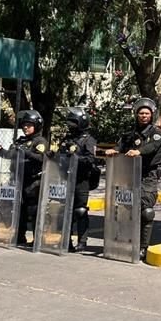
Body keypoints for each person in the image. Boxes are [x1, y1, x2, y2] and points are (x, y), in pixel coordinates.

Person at [105, 97, 161, 262]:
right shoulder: (130, 133)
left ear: (151, 115)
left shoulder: (157, 133)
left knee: (146, 211)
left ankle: (143, 248)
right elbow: (121, 145)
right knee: (125, 207)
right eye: (141, 113)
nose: (143, 116)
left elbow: (151, 147)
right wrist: (114, 150)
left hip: (149, 175)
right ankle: (124, 241)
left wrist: (138, 152)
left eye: (146, 113)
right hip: (130, 173)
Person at [0, 110, 49, 247]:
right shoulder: (20, 141)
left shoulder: (40, 141)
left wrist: (27, 153)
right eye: (24, 125)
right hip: (18, 179)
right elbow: (9, 155)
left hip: (33, 181)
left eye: (29, 125)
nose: (25, 127)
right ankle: (19, 236)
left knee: (33, 210)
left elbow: (41, 158)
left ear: (36, 125)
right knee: (19, 209)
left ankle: (38, 238)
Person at [59, 107, 99, 253]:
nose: (71, 125)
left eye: (74, 122)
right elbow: (60, 154)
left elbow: (90, 159)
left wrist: (75, 156)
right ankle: (66, 239)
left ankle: (82, 241)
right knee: (66, 209)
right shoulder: (67, 139)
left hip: (82, 178)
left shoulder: (88, 140)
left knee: (80, 210)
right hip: (67, 177)